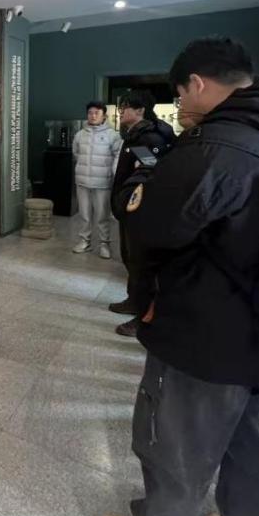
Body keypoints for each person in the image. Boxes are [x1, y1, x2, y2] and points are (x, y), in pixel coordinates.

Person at [97, 36, 259, 516]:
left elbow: (153, 228)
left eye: (181, 93)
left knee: (175, 448)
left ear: (198, 84)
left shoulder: (216, 147)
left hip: (208, 328)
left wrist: (139, 188)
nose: (181, 103)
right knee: (257, 446)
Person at [108, 90, 175, 337]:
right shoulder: (136, 134)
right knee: (130, 258)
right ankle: (133, 300)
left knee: (141, 263)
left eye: (125, 107)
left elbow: (148, 175)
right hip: (129, 207)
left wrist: (130, 201)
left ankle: (144, 315)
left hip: (139, 209)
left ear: (140, 111)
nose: (121, 111)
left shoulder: (149, 138)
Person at [72, 101, 122, 259]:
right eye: (90, 113)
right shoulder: (80, 135)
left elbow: (118, 157)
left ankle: (104, 244)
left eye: (96, 113)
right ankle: (85, 241)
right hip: (82, 182)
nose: (93, 116)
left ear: (104, 115)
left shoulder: (113, 135)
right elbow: (76, 154)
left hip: (102, 183)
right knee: (84, 215)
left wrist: (112, 174)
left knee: (102, 216)